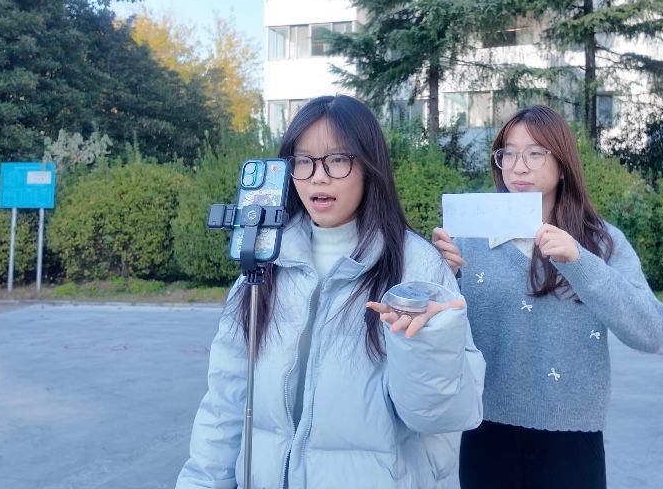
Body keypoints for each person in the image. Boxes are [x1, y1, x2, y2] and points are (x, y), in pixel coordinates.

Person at [177, 95, 485, 489]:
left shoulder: (417, 269)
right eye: (303, 161)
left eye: (337, 160)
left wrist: (427, 345)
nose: (317, 177)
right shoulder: (264, 265)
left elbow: (445, 417)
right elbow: (225, 406)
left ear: (369, 167)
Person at [431, 104, 663, 489]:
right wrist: (443, 277)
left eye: (535, 153)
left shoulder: (601, 241)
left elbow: (651, 332)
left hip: (571, 438)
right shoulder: (468, 240)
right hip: (485, 431)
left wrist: (580, 261)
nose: (519, 167)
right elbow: (440, 336)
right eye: (508, 153)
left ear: (562, 164)